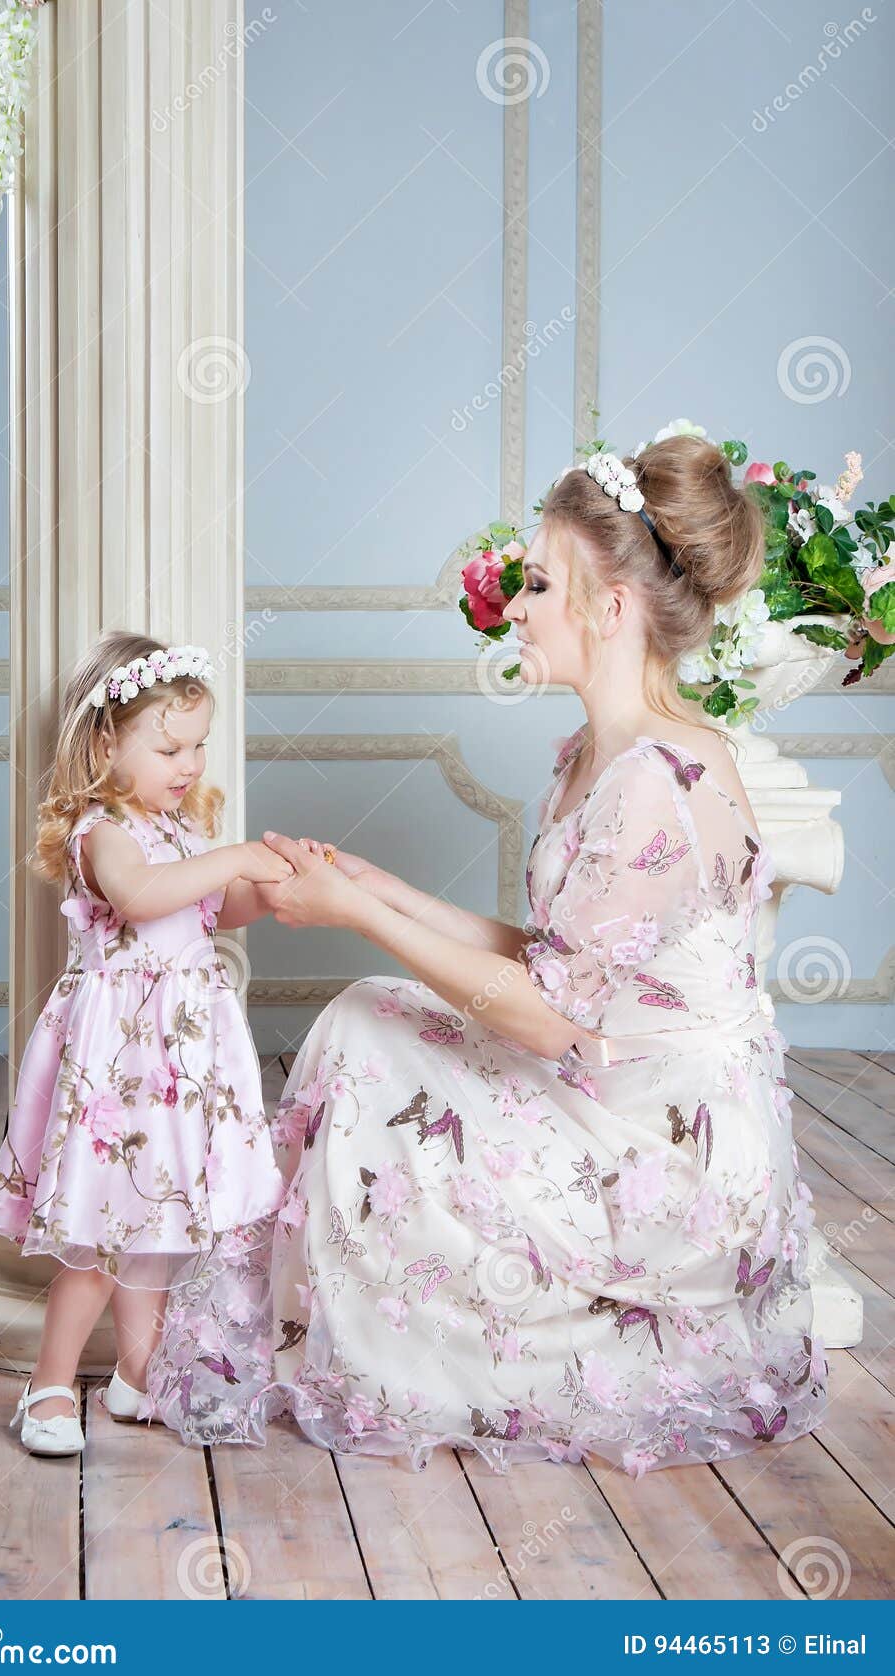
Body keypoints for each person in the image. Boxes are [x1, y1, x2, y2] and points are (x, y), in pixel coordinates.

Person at [144, 436, 828, 1477]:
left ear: (610, 605)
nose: (515, 606)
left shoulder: (661, 779)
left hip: (663, 1142)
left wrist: (357, 915)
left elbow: (546, 1012)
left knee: (370, 1031)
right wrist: (378, 886)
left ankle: (384, 1346)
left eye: (541, 583)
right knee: (370, 1009)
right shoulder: (591, 753)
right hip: (605, 1072)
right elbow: (556, 958)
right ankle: (355, 1320)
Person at [0, 631, 289, 1455]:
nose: (188, 764)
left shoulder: (184, 827)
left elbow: (217, 908)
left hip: (183, 1058)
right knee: (96, 1233)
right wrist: (235, 856)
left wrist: (276, 884)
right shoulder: (102, 829)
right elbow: (145, 899)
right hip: (120, 1060)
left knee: (161, 1226)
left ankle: (136, 1376)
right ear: (107, 743)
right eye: (168, 746)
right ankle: (48, 1385)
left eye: (198, 747)